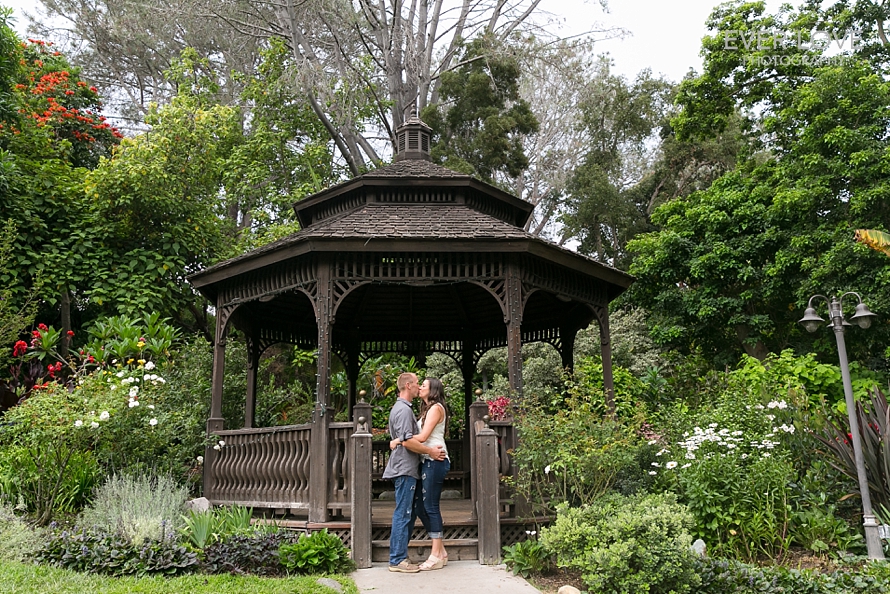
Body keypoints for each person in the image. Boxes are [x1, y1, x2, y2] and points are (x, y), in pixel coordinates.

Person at [382, 372, 446, 573]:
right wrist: (429, 451)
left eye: (423, 384)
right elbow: (409, 440)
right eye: (418, 383)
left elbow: (410, 438)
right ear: (408, 385)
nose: (419, 387)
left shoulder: (414, 409)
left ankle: (436, 551)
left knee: (415, 510)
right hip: (406, 468)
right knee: (404, 513)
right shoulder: (403, 410)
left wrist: (398, 441)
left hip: (413, 467)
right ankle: (397, 560)